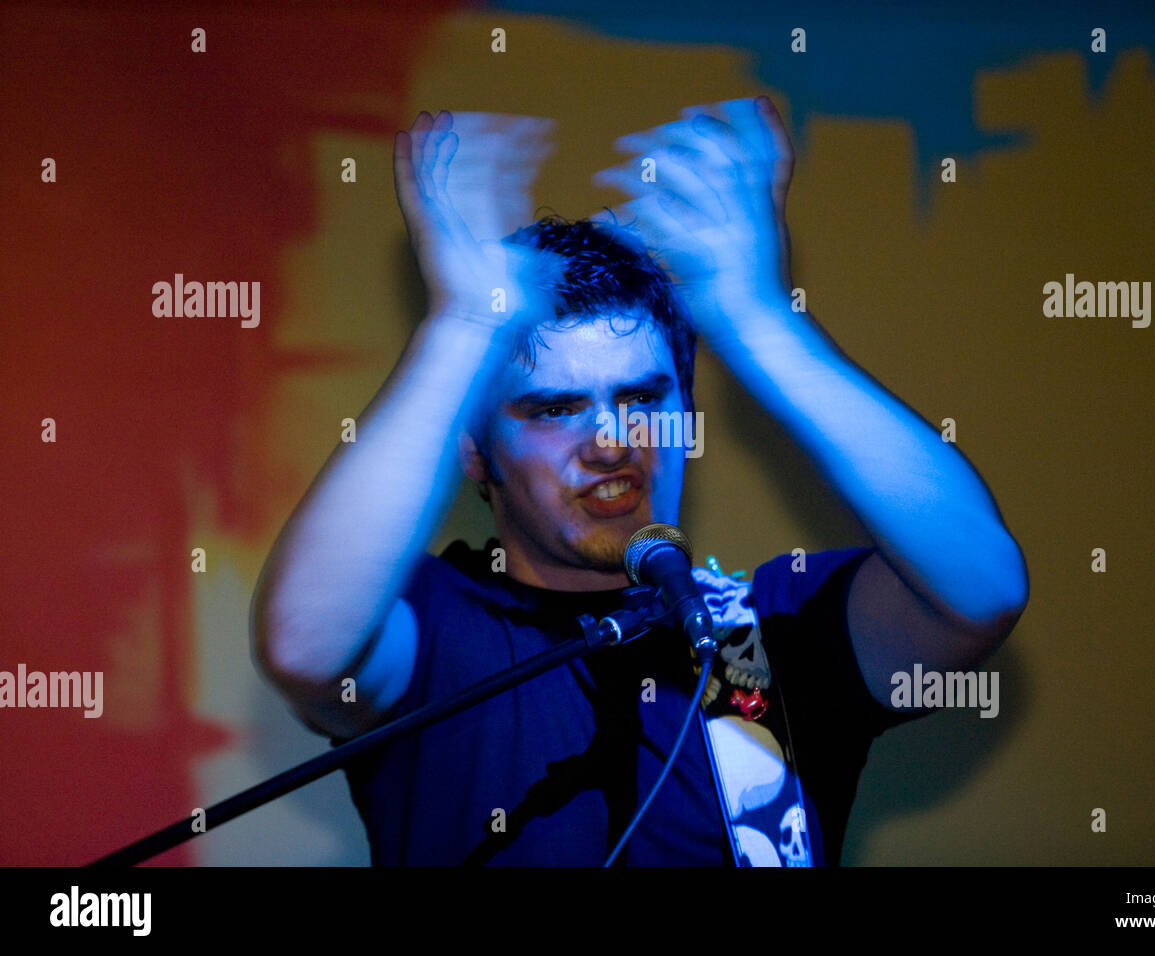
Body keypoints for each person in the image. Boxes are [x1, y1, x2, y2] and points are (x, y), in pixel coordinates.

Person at [250, 99, 1029, 866]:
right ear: (476, 455)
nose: (612, 441)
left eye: (643, 397)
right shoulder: (441, 627)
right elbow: (304, 645)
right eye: (556, 407)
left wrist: (754, 317)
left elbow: (982, 587)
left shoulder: (769, 629)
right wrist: (465, 325)